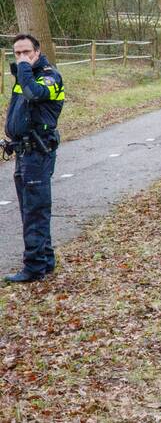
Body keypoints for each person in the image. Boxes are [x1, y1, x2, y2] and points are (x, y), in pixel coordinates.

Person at [3, 34, 64, 284]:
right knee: (29, 210)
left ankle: (34, 267)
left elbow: (33, 94)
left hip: (38, 153)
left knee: (35, 211)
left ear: (37, 52)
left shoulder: (50, 76)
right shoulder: (24, 75)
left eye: (26, 52)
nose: (21, 57)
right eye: (17, 53)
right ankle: (45, 260)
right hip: (23, 152)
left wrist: (25, 68)